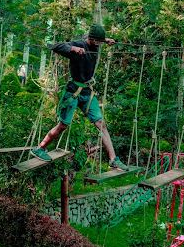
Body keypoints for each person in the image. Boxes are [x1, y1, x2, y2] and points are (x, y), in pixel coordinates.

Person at [30, 24, 130, 171]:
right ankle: (40, 148)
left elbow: (96, 40)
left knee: (101, 123)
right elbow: (54, 46)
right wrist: (72, 49)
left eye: (101, 42)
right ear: (91, 38)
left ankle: (113, 159)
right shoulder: (78, 45)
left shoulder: (95, 43)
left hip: (87, 92)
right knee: (63, 125)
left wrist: (106, 40)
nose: (99, 44)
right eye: (98, 41)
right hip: (73, 92)